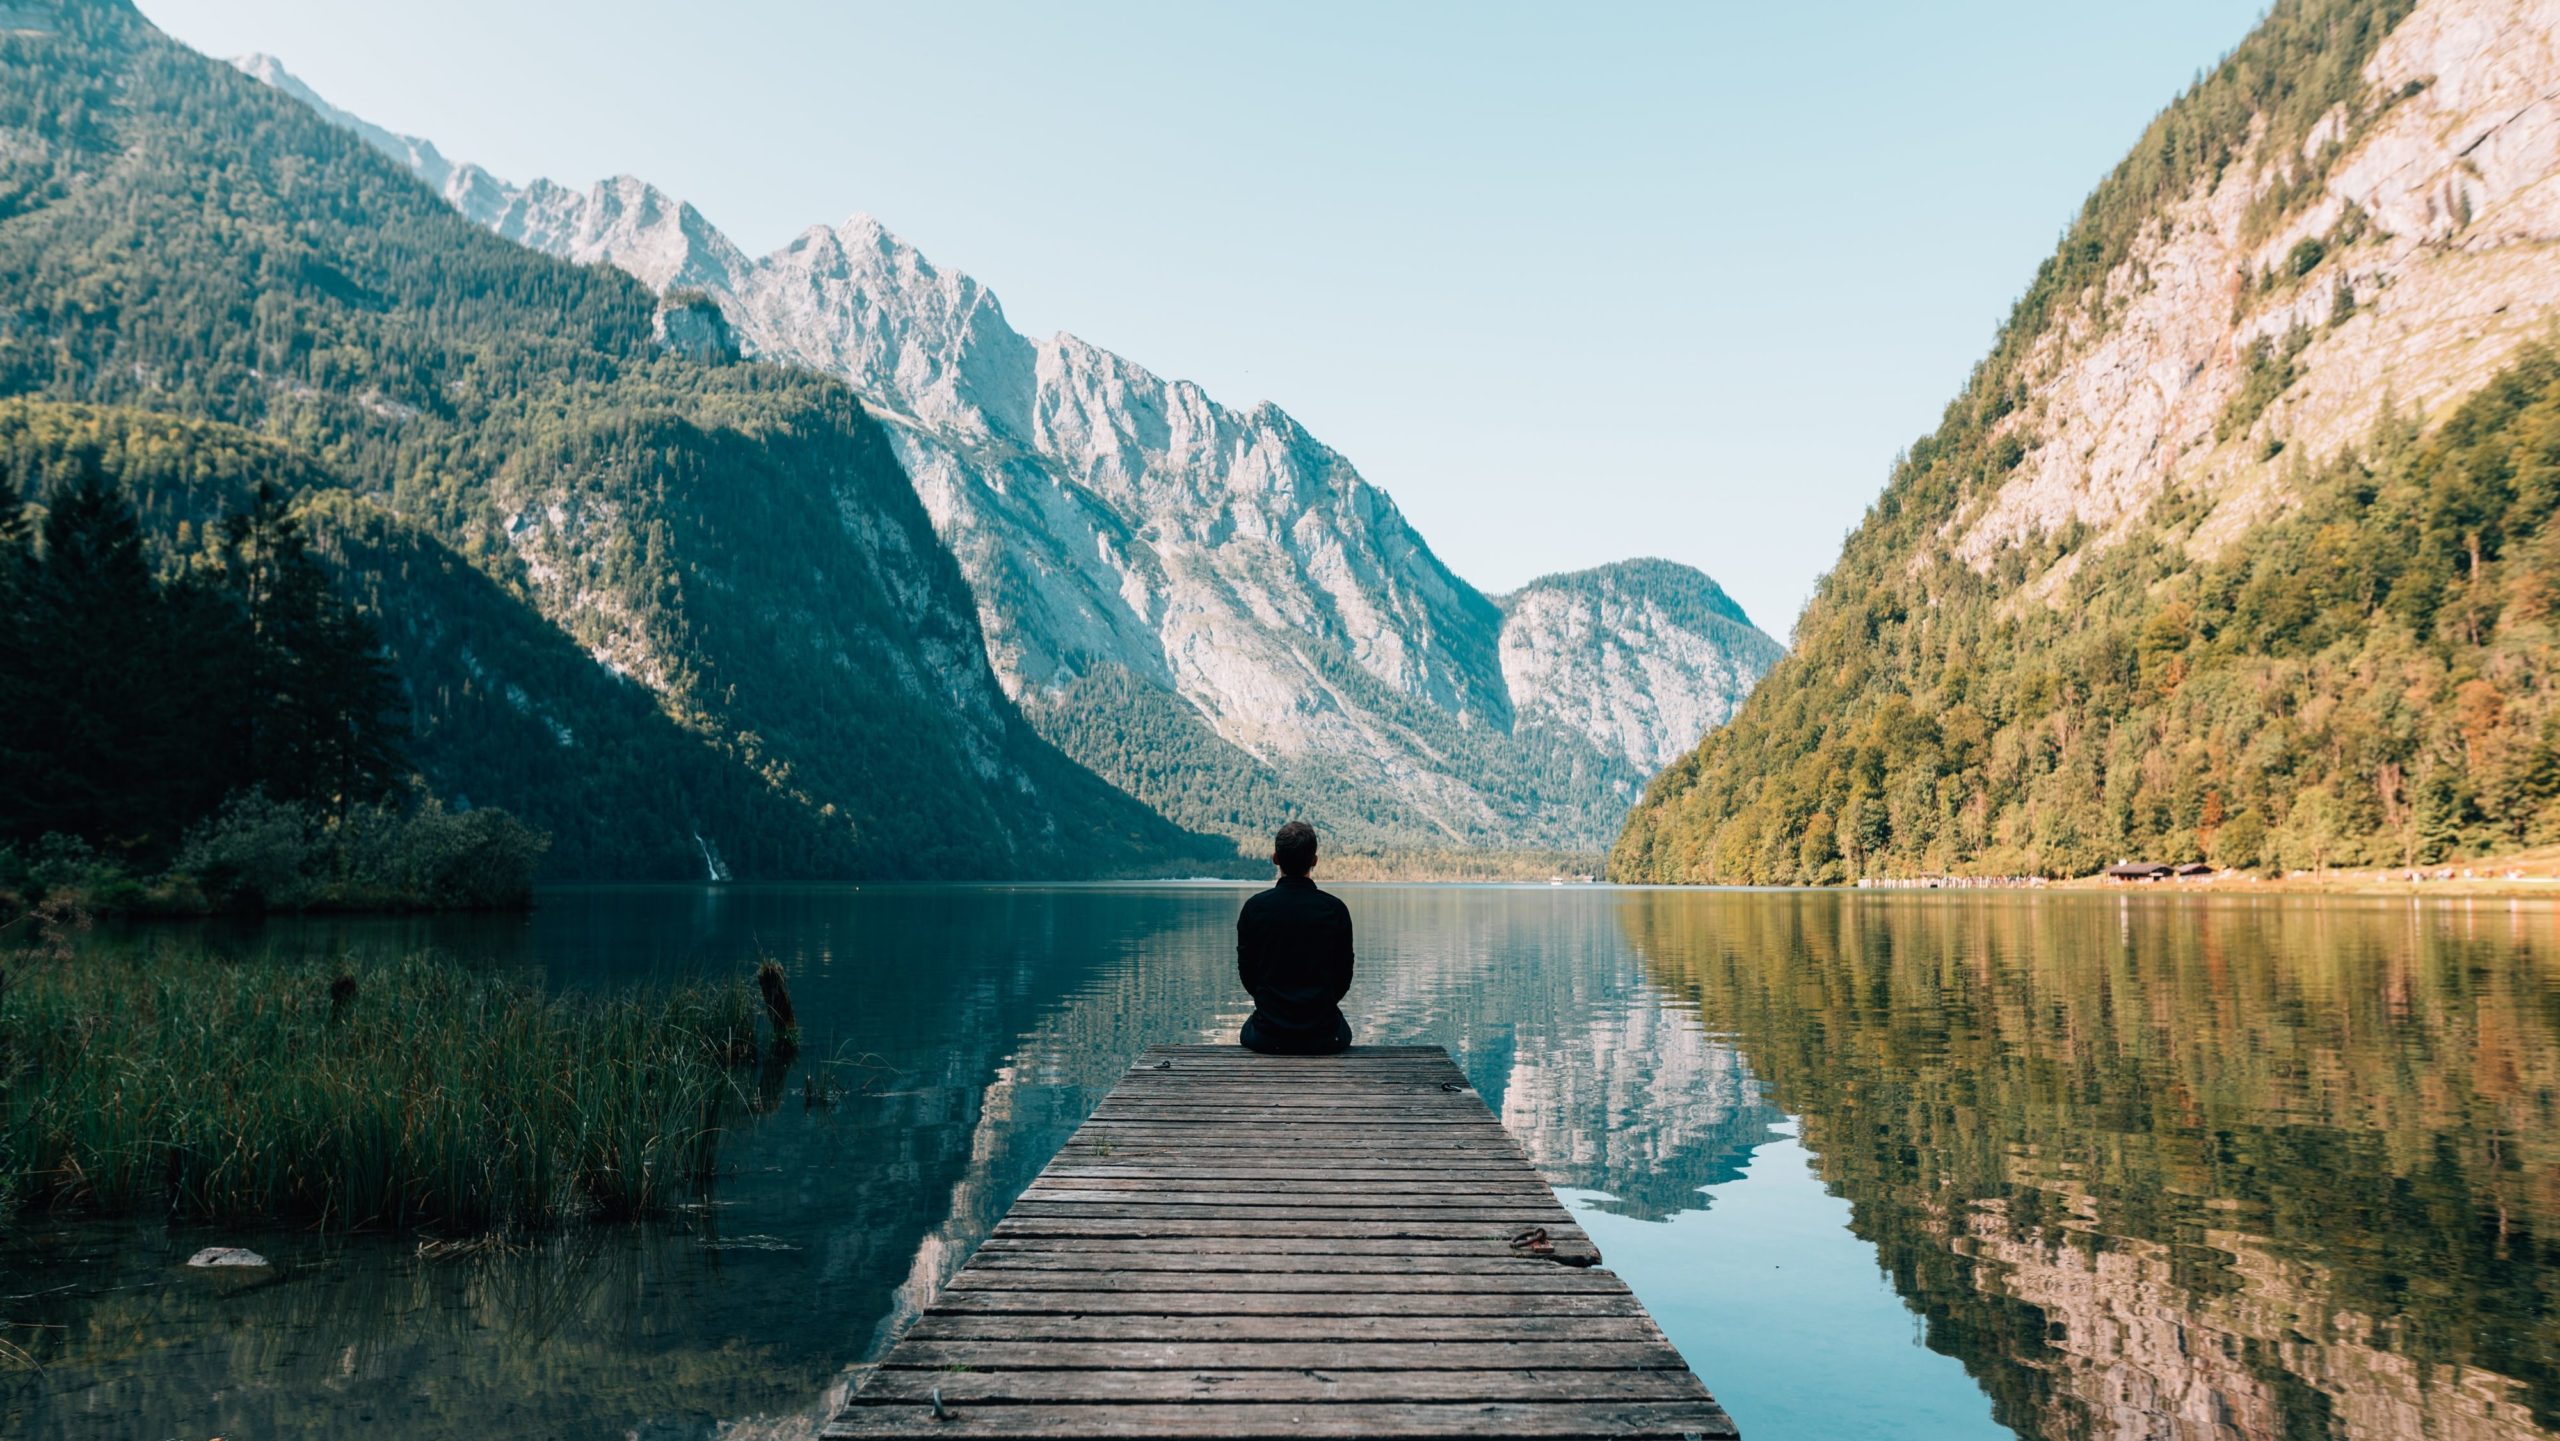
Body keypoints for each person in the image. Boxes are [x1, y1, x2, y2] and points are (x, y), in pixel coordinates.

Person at [1235, 820, 1354, 1054]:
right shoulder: (1335, 909)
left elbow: (1247, 973)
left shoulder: (1254, 908)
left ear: (1275, 858)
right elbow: (1344, 976)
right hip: (1325, 1036)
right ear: (1314, 861)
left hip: (1268, 1035)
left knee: (1249, 1028)